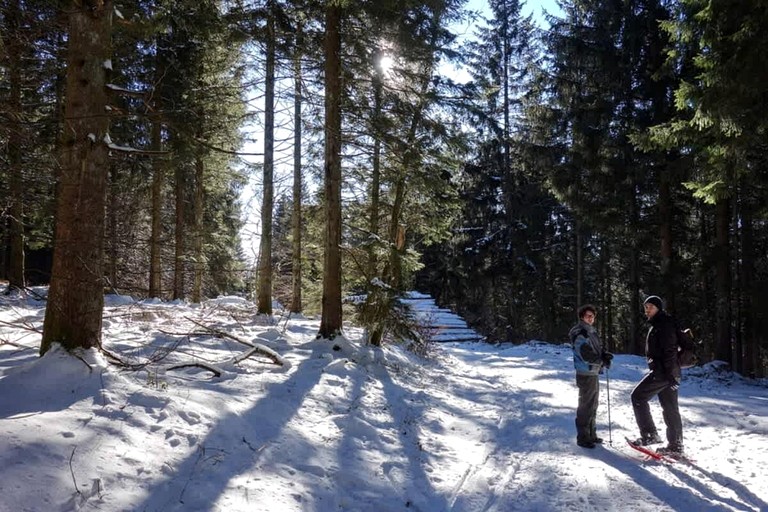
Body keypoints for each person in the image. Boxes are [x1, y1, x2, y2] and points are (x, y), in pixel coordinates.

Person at [630, 295, 684, 456]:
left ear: (658, 308)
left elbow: (669, 351)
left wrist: (670, 375)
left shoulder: (663, 324)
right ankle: (676, 445)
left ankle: (650, 434)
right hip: (669, 373)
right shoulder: (660, 323)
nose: (647, 310)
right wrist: (673, 375)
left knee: (638, 397)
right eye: (646, 307)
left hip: (664, 373)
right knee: (670, 408)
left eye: (651, 307)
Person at [570, 304, 613, 448]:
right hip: (585, 373)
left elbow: (596, 349)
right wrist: (601, 360)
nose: (591, 318)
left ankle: (591, 434)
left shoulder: (590, 331)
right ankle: (583, 437)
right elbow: (586, 353)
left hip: (592, 372)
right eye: (588, 315)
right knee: (585, 406)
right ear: (582, 317)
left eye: (593, 316)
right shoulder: (580, 332)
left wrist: (604, 355)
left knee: (593, 404)